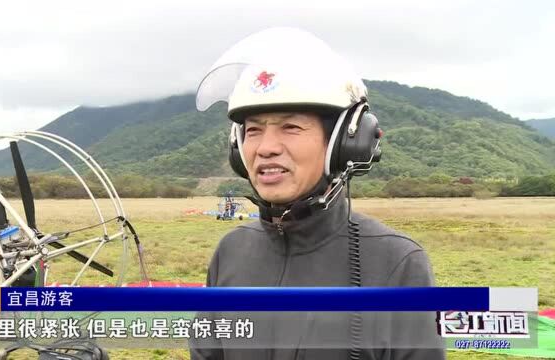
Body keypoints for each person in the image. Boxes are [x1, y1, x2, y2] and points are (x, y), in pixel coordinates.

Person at [191, 28, 446, 360]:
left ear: (344, 142)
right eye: (253, 130)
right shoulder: (230, 252)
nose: (266, 148)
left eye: (291, 127)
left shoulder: (397, 264)